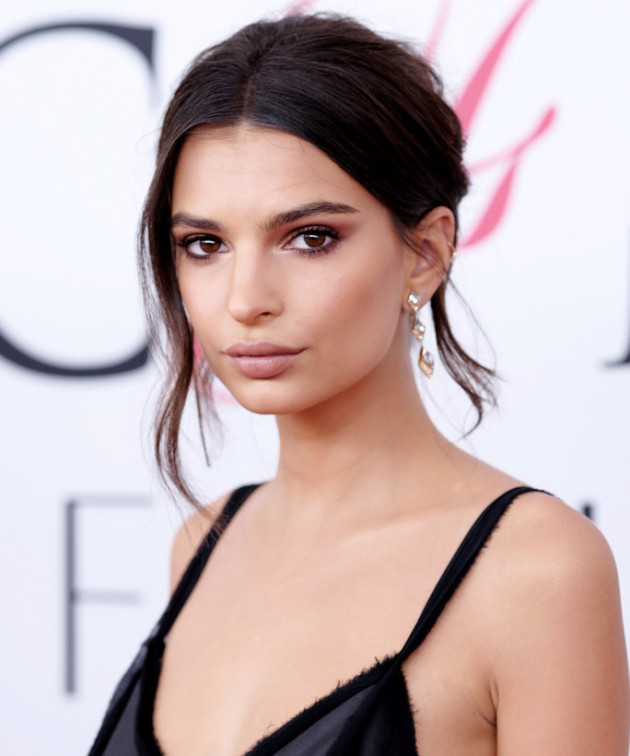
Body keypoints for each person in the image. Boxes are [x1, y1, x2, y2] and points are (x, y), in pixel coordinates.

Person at [89, 12, 629, 756]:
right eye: (205, 244)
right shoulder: (203, 542)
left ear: (426, 253)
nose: (246, 299)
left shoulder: (535, 571)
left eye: (310, 238)